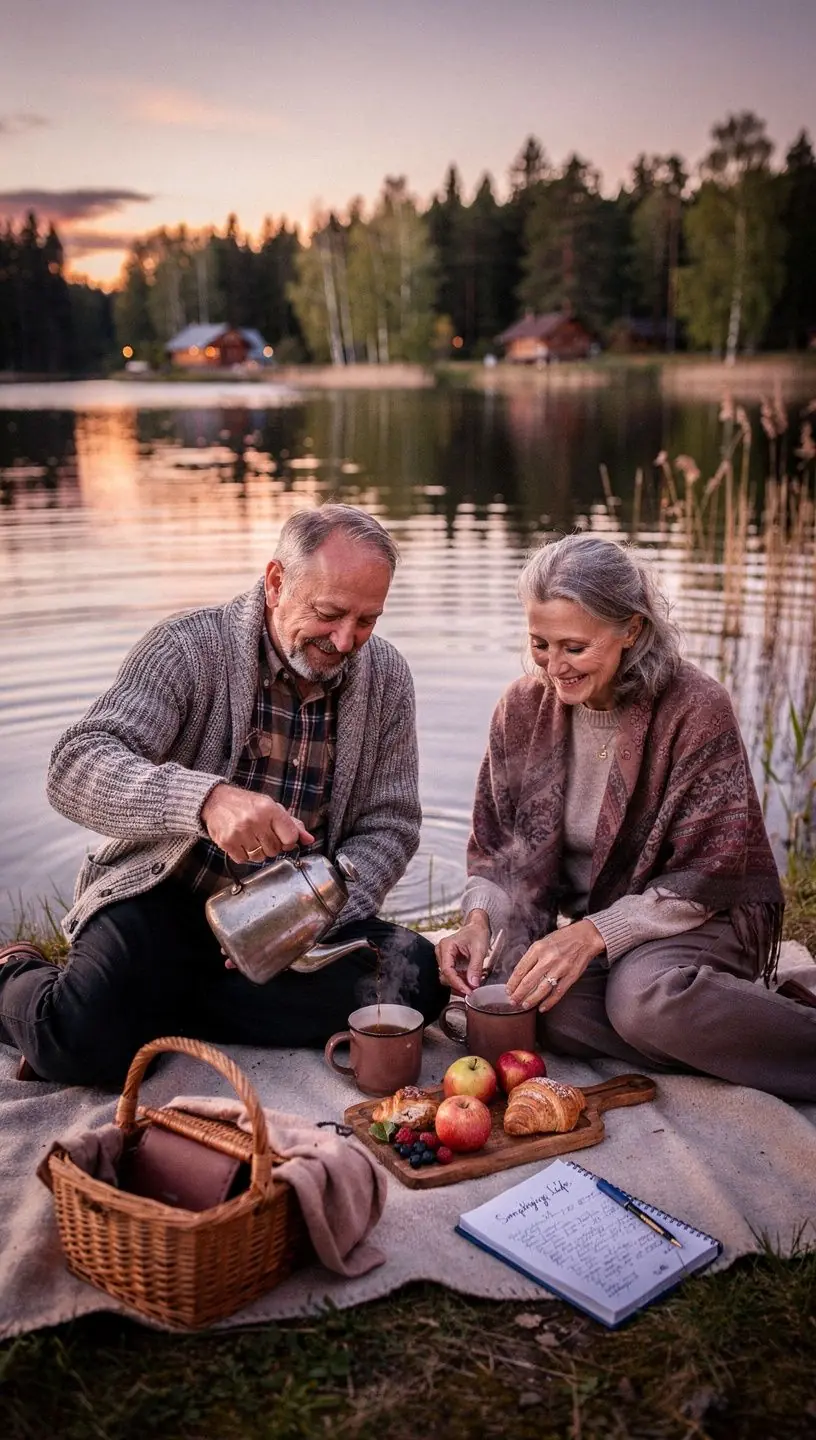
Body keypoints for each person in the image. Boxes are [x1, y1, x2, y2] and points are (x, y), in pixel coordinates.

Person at [0, 504, 445, 1085]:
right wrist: (205, 801)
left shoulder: (387, 678)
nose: (346, 640)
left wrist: (315, 909)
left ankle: (154, 1008)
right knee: (79, 1045)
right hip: (165, 896)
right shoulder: (185, 648)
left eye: (367, 621)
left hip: (295, 925)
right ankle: (15, 971)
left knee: (414, 980)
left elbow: (391, 824)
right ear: (276, 582)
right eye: (330, 614)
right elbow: (76, 763)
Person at [437, 532, 816, 1102]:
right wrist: (478, 920)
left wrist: (595, 934)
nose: (554, 667)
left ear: (631, 631)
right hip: (609, 923)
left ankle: (765, 1035)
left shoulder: (695, 708)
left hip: (695, 915)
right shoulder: (521, 709)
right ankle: (723, 1029)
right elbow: (497, 854)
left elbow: (705, 876)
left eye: (574, 647)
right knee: (537, 1006)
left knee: (639, 1000)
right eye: (540, 643)